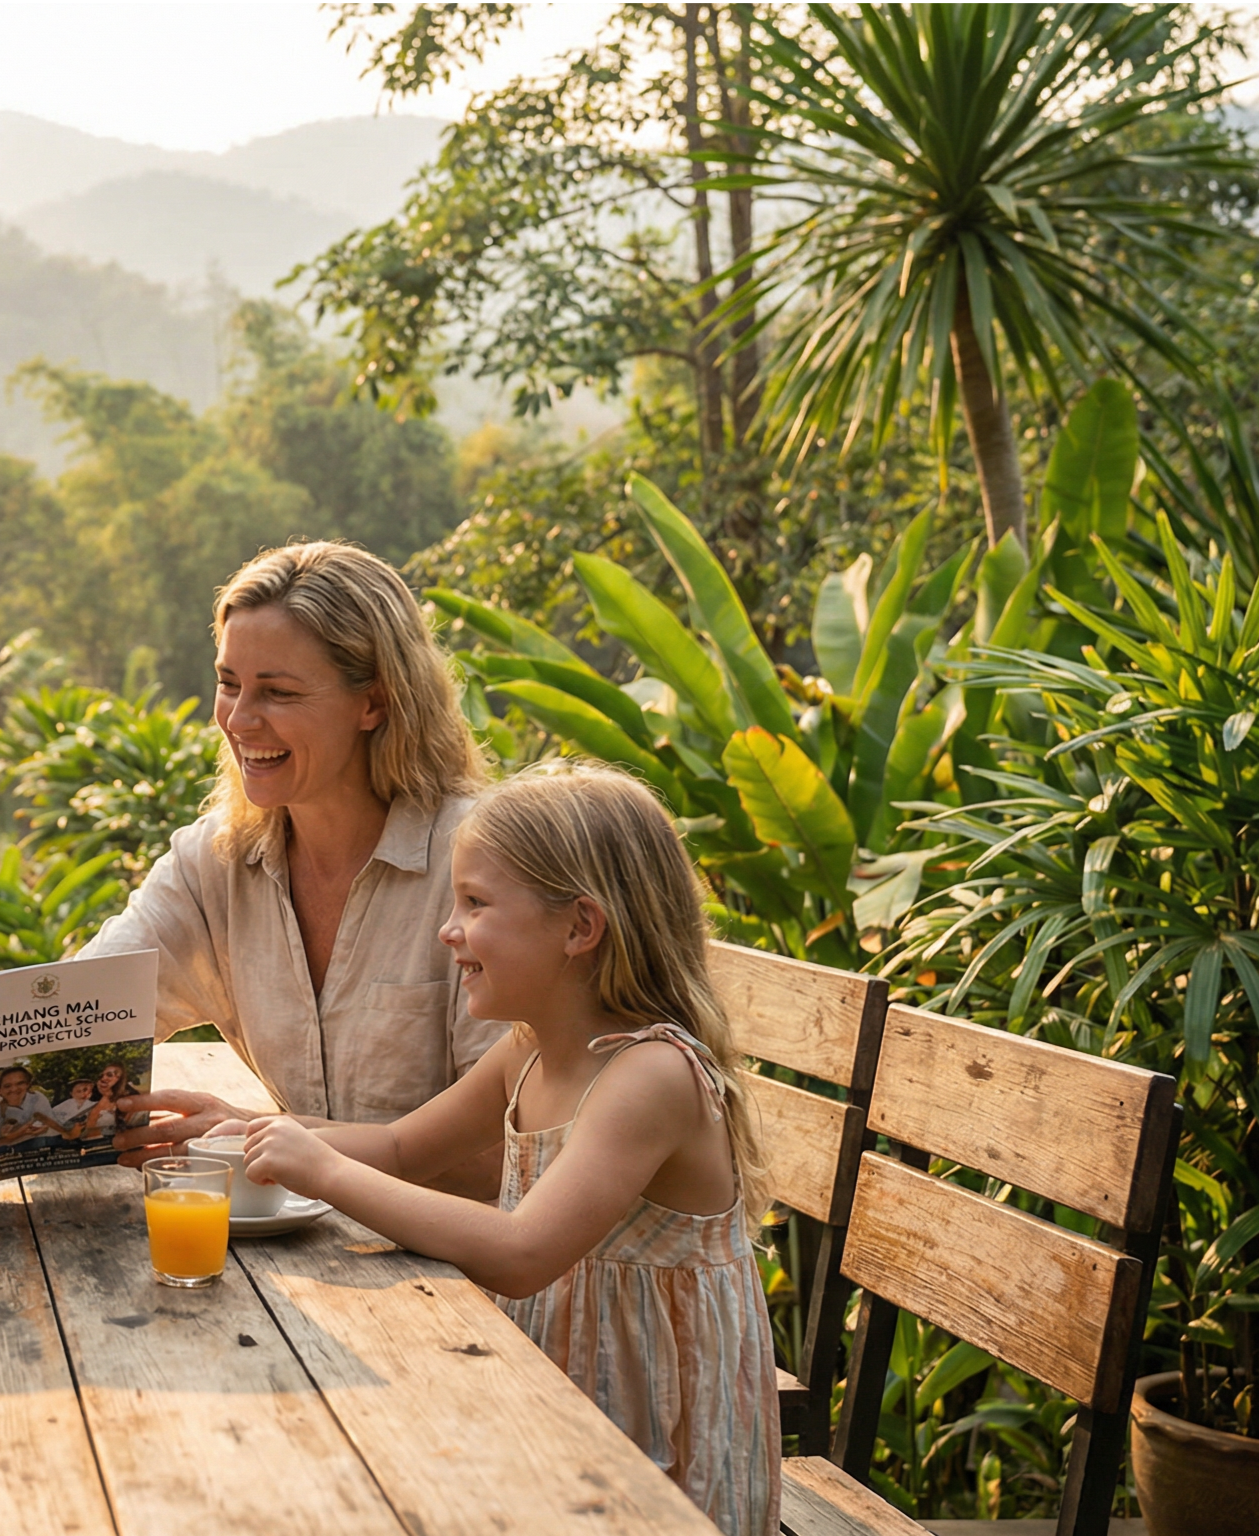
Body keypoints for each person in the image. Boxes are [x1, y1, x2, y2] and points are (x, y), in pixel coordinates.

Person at [230, 762, 780, 1536]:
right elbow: (395, 1147)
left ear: (579, 928)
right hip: (551, 1405)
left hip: (656, 1464)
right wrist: (242, 1132)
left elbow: (523, 1253)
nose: (448, 931)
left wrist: (322, 1168)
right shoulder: (526, 1050)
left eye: (476, 904)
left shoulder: (649, 1076)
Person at [81, 541, 502, 1194]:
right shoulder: (212, 865)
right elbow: (84, 1015)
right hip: (328, 1258)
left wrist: (265, 1137)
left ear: (375, 702)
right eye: (228, 684)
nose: (238, 720)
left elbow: (513, 1156)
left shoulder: (483, 865)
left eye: (276, 692)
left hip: (477, 1279)